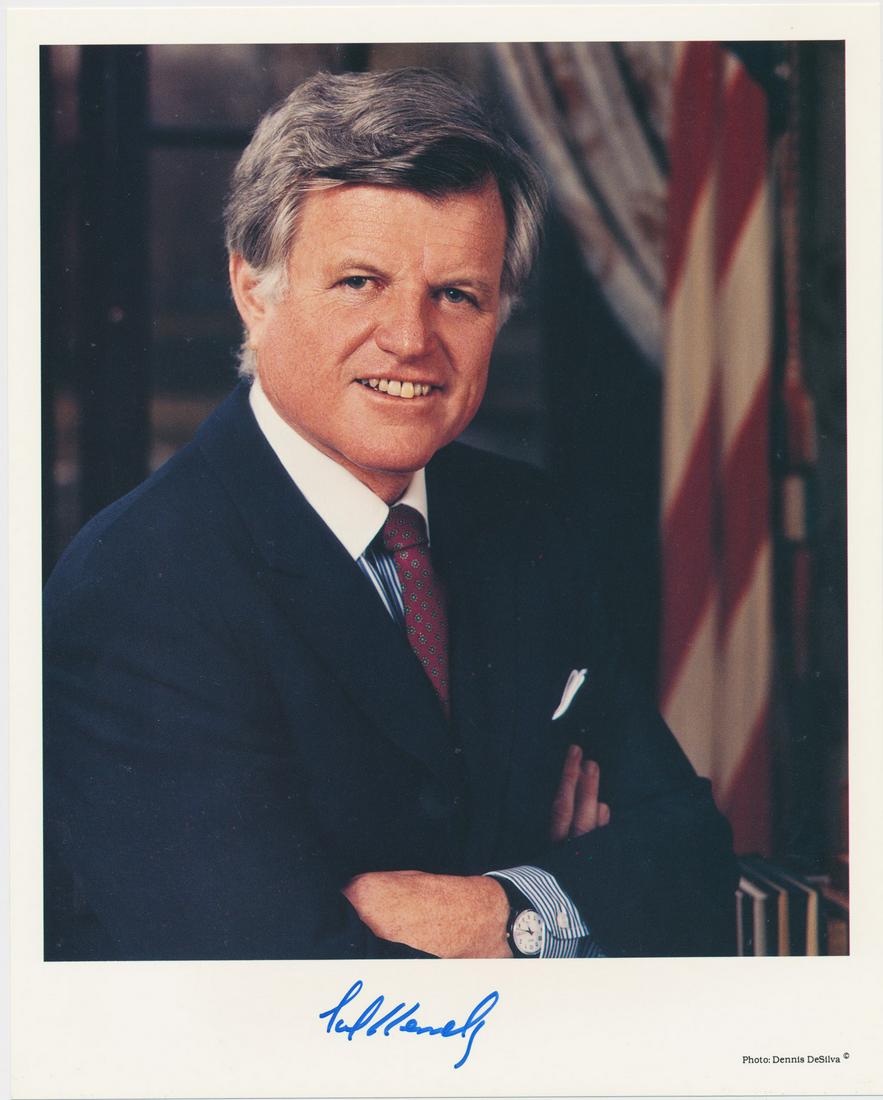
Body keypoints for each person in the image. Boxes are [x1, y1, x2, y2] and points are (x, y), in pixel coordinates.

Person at [43, 67, 738, 961]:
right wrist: (570, 898)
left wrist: (503, 914)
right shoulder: (138, 589)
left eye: (457, 293)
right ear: (253, 287)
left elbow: (691, 865)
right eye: (360, 282)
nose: (411, 339)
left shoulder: (528, 524)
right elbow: (281, 992)